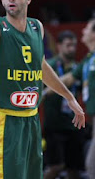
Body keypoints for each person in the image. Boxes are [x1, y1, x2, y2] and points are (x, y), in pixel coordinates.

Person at [0, 0, 85, 179]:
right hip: (4, 120)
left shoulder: (37, 27)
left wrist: (68, 97)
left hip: (31, 120)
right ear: (1, 0)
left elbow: (42, 67)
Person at [53, 18, 95, 179]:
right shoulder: (89, 58)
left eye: (87, 29)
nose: (83, 31)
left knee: (91, 166)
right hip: (92, 121)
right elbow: (68, 79)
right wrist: (43, 90)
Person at [42, 30, 85, 179]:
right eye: (68, 45)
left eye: (74, 45)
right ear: (58, 46)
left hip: (74, 125)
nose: (72, 49)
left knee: (75, 169)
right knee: (56, 166)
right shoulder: (49, 67)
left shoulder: (79, 68)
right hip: (54, 126)